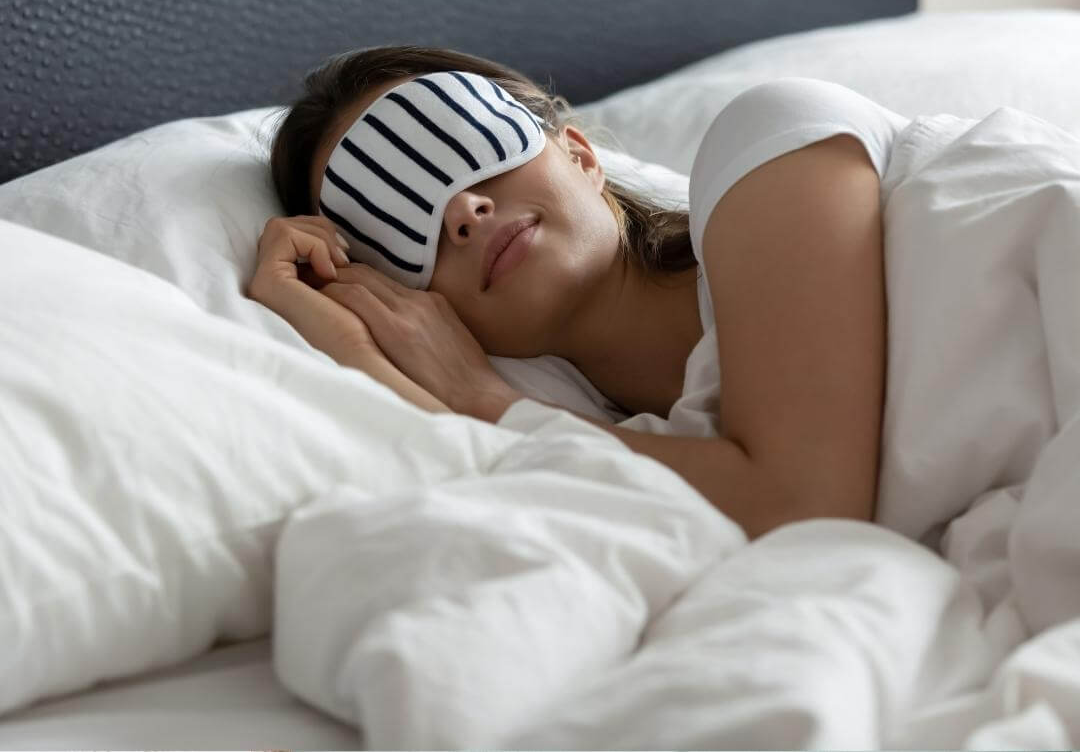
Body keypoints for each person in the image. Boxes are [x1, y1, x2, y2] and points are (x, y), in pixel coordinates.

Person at [248, 44, 904, 540]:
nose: (462, 212)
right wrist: (357, 350)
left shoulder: (772, 146)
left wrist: (481, 397)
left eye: (460, 144)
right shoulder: (641, 452)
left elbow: (804, 505)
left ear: (582, 156)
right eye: (395, 221)